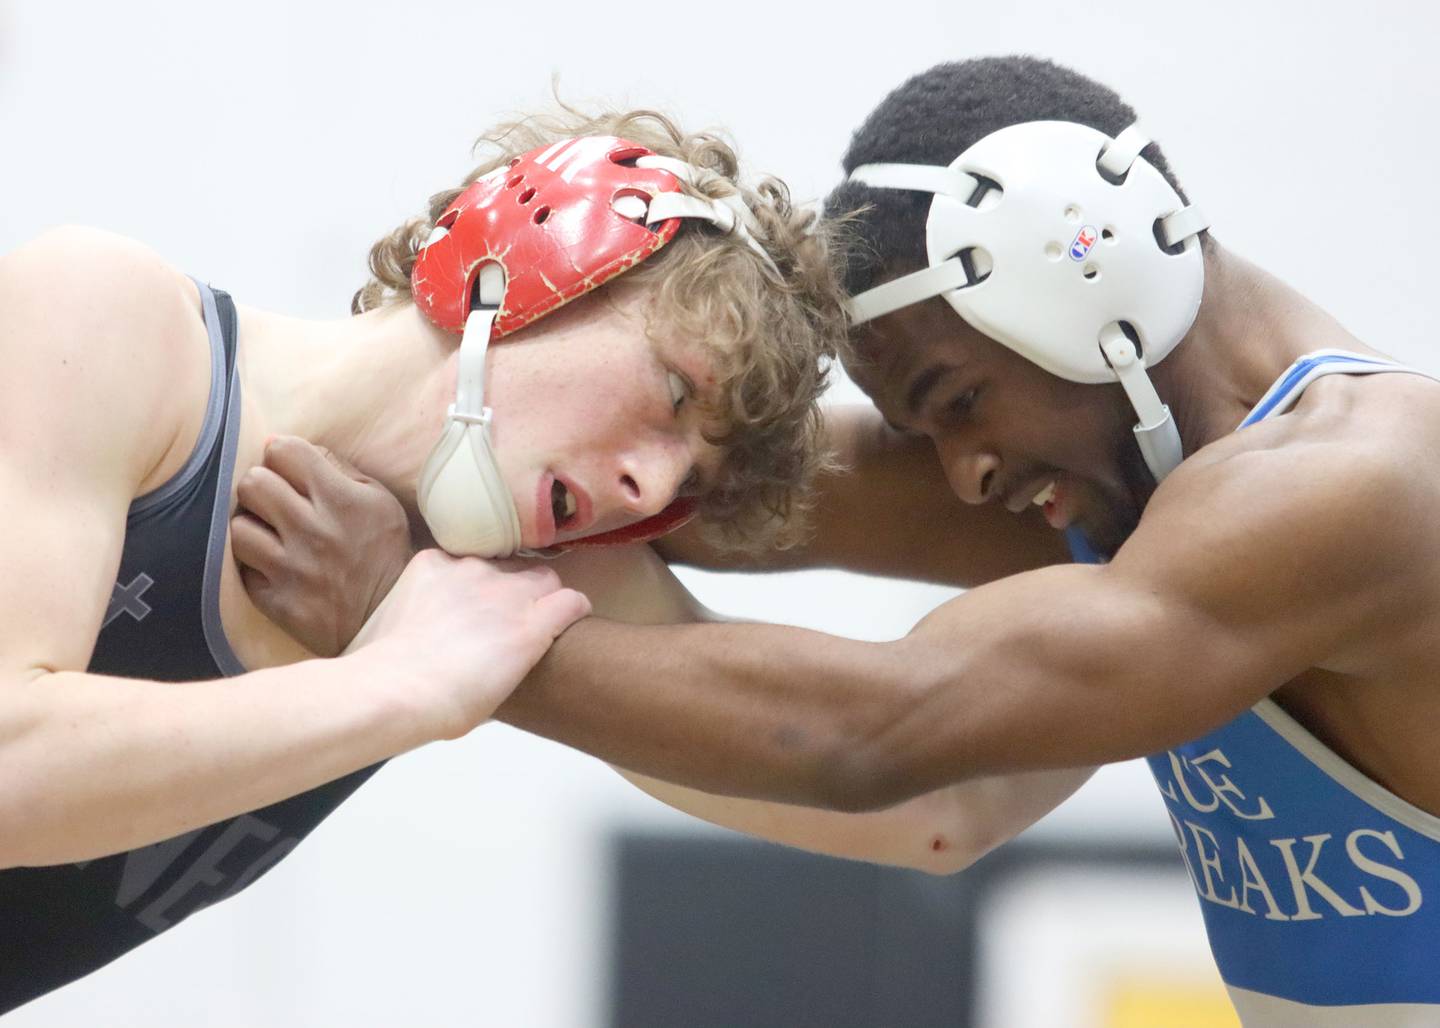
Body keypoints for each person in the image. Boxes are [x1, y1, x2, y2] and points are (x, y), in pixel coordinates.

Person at [250, 58, 1440, 1022]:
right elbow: (727, 488)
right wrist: (453, 410)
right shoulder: (1132, 475)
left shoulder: (1357, 489)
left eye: (956, 399)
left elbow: (872, 728)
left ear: (1094, 266)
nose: (963, 475)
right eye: (922, 429)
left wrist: (403, 616)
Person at [0, 106, 847, 1013]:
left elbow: (926, 812)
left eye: (689, 476)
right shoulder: (109, 321)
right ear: (528, 265)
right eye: (675, 391)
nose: (649, 488)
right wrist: (400, 680)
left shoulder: (505, 590)